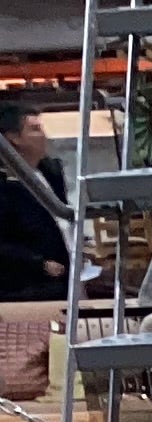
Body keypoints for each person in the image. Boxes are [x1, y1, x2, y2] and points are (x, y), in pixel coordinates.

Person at [0, 103, 71, 303]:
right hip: (29, 286)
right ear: (13, 138)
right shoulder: (4, 185)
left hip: (67, 275)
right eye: (34, 129)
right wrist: (40, 264)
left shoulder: (51, 172)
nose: (43, 135)